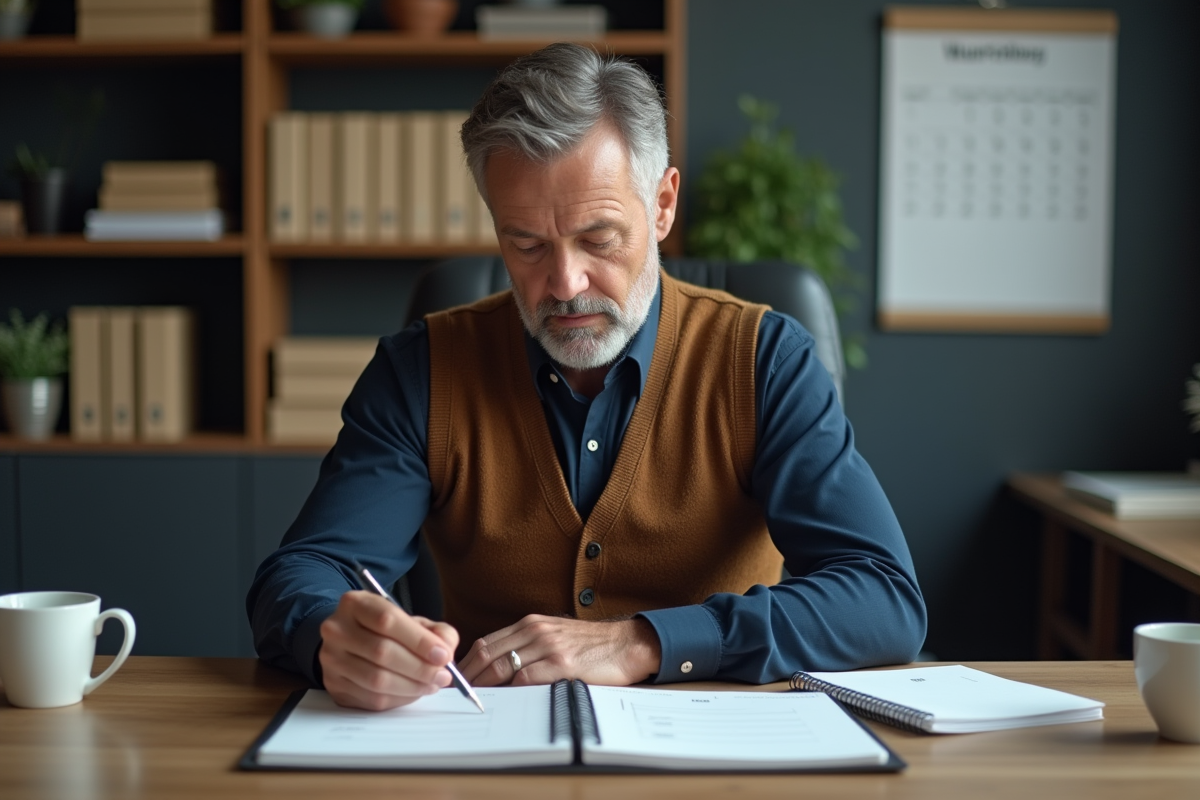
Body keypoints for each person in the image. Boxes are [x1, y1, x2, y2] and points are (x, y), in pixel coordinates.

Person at [248, 43, 926, 712]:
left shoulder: (766, 359)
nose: (565, 284)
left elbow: (883, 598)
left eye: (598, 239)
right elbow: (301, 575)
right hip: (487, 753)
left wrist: (645, 643)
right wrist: (331, 640)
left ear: (662, 206)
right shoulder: (422, 369)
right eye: (527, 245)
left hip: (718, 759)